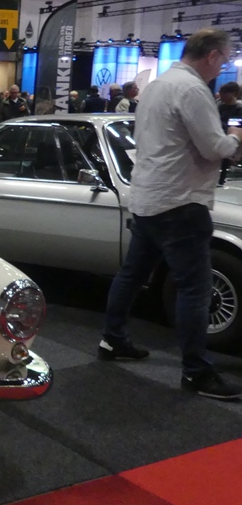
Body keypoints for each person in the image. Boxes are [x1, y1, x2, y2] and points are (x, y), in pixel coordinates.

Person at [100, 28, 242, 400]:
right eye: (225, 59)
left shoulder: (158, 85)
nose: (224, 66)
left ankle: (112, 339)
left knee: (132, 275)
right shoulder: (193, 89)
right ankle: (197, 372)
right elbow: (213, 147)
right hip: (181, 202)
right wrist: (236, 137)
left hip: (148, 198)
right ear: (211, 55)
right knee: (195, 289)